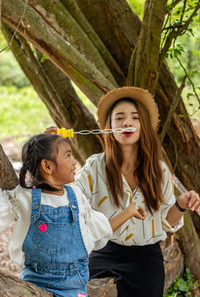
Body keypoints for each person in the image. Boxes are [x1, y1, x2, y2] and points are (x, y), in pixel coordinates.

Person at [45, 86, 200, 297]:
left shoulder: (160, 171)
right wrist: (52, 152)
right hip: (104, 251)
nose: (127, 122)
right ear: (109, 126)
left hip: (146, 257)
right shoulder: (94, 166)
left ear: (142, 126)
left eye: (134, 118)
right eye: (119, 118)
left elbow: (167, 222)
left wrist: (181, 204)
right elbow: (68, 199)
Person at [0, 133, 146, 297]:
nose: (74, 161)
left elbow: (98, 230)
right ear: (48, 167)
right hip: (34, 284)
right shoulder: (24, 197)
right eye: (68, 155)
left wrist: (128, 213)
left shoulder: (76, 197)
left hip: (73, 289)